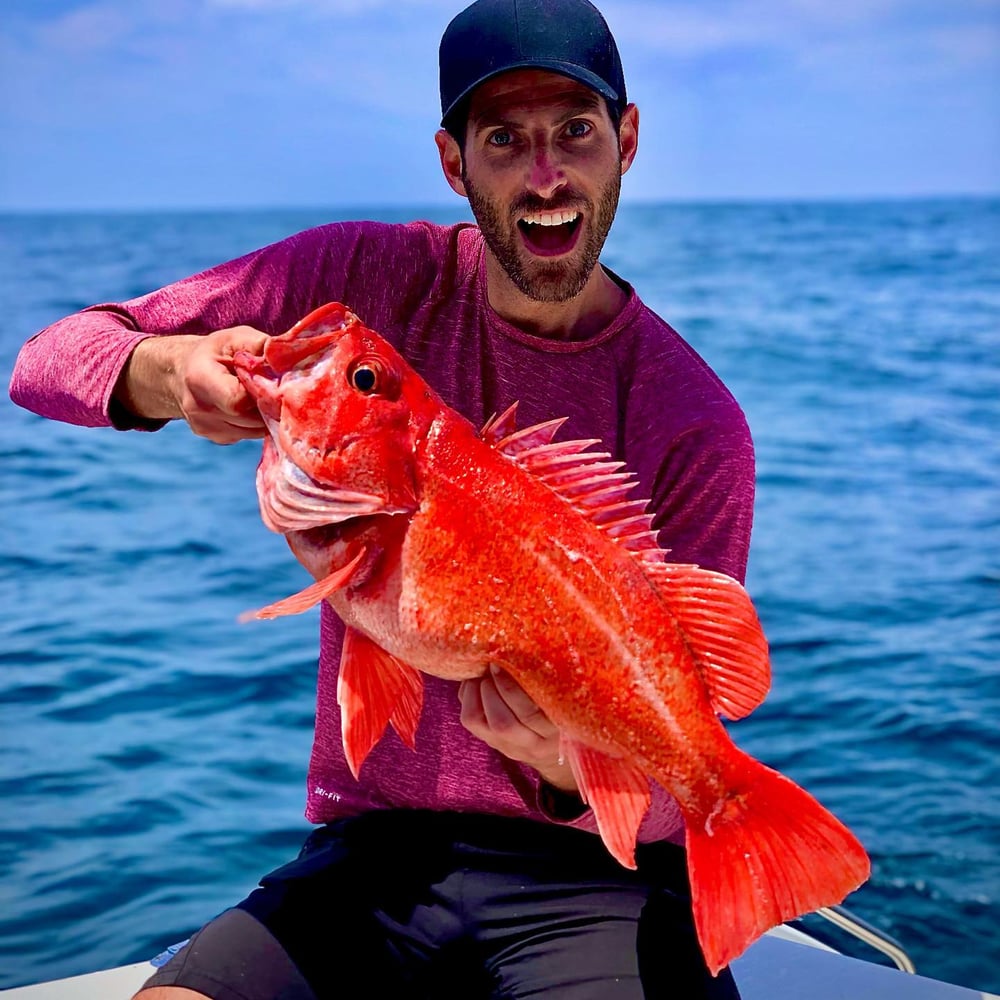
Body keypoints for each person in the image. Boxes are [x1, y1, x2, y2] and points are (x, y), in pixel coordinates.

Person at [9, 0, 755, 996]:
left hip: (594, 879)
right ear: (454, 163)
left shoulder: (694, 417)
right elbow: (44, 362)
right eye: (504, 139)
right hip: (377, 856)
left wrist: (571, 772)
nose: (544, 174)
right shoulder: (360, 279)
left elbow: (679, 771)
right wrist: (164, 367)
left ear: (625, 141)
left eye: (574, 130)